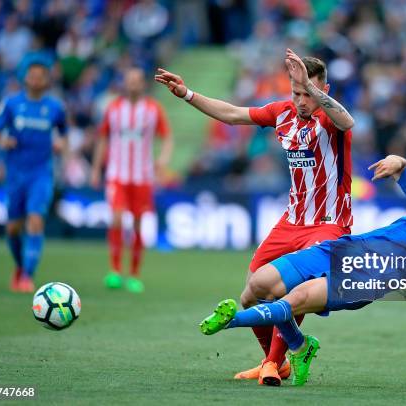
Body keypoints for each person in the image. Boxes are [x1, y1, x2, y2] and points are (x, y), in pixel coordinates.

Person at [199, 154, 406, 394]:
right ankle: (299, 345)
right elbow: (403, 168)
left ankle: (229, 322)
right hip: (343, 249)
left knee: (292, 299)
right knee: (257, 286)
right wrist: (396, 161)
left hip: (365, 280)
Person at [155, 48, 355, 385]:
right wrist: (186, 93)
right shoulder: (283, 113)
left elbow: (348, 121)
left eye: (308, 92)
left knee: (294, 288)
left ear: (324, 90)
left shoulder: (330, 120)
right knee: (250, 293)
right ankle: (280, 360)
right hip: (292, 220)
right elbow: (232, 114)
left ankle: (273, 364)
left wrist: (313, 90)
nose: (302, 100)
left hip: (330, 223)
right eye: (296, 92)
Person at [91, 67, 173, 294]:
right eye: (130, 80)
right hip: (117, 174)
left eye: (137, 80)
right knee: (116, 219)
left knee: (137, 223)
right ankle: (115, 271)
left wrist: (162, 161)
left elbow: (167, 138)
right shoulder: (114, 108)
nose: (134, 84)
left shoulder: (153, 109)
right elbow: (103, 138)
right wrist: (96, 169)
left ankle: (134, 274)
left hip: (142, 176)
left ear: (143, 84)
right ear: (124, 83)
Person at [0, 61, 68, 293]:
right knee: (13, 228)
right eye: (31, 76)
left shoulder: (55, 107)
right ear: (25, 79)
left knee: (35, 220)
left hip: (41, 173)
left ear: (46, 81)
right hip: (15, 173)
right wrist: (2, 141)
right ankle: (20, 265)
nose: (35, 80)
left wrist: (60, 144)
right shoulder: (12, 104)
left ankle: (27, 275)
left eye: (40, 77)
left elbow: (64, 133)